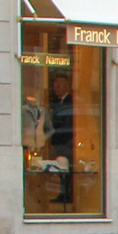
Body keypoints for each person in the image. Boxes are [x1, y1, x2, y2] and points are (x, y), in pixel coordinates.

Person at [44, 71, 78, 207]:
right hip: (58, 140)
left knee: (66, 169)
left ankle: (67, 193)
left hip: (66, 140)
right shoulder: (56, 102)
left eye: (58, 85)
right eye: (54, 85)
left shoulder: (71, 101)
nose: (55, 88)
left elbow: (67, 121)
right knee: (60, 169)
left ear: (65, 86)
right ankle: (63, 192)